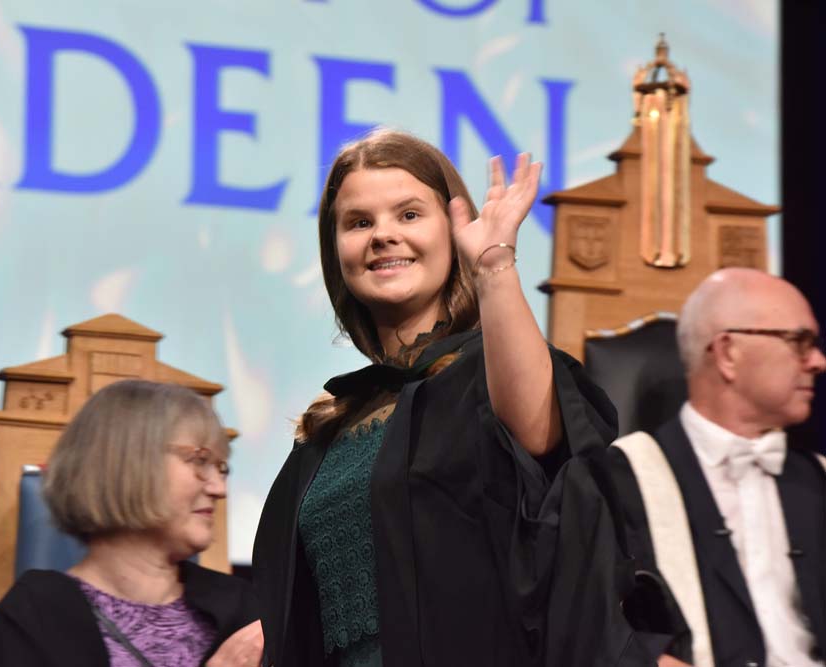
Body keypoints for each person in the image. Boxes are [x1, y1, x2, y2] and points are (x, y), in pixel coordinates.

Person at [252, 128, 659, 666]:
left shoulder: (485, 376)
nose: (383, 235)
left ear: (451, 231)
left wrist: (493, 265)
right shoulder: (328, 427)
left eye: (409, 214)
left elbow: (538, 434)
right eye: (359, 223)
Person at [609, 268, 826, 667]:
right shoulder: (621, 479)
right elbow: (588, 627)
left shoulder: (819, 477)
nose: (818, 361)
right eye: (799, 341)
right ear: (728, 353)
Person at [0, 380, 263, 667]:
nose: (219, 489)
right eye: (199, 461)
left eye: (221, 468)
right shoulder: (34, 616)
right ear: (127, 462)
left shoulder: (245, 610)